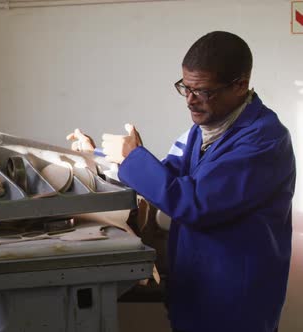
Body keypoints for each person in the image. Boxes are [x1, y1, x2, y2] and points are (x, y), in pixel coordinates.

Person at [68, 31, 296, 332]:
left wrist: (133, 158)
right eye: (184, 88)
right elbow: (167, 174)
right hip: (197, 285)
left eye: (202, 91)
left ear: (240, 85)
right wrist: (97, 156)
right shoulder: (204, 130)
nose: (189, 100)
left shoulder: (263, 139)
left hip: (235, 299)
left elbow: (196, 203)